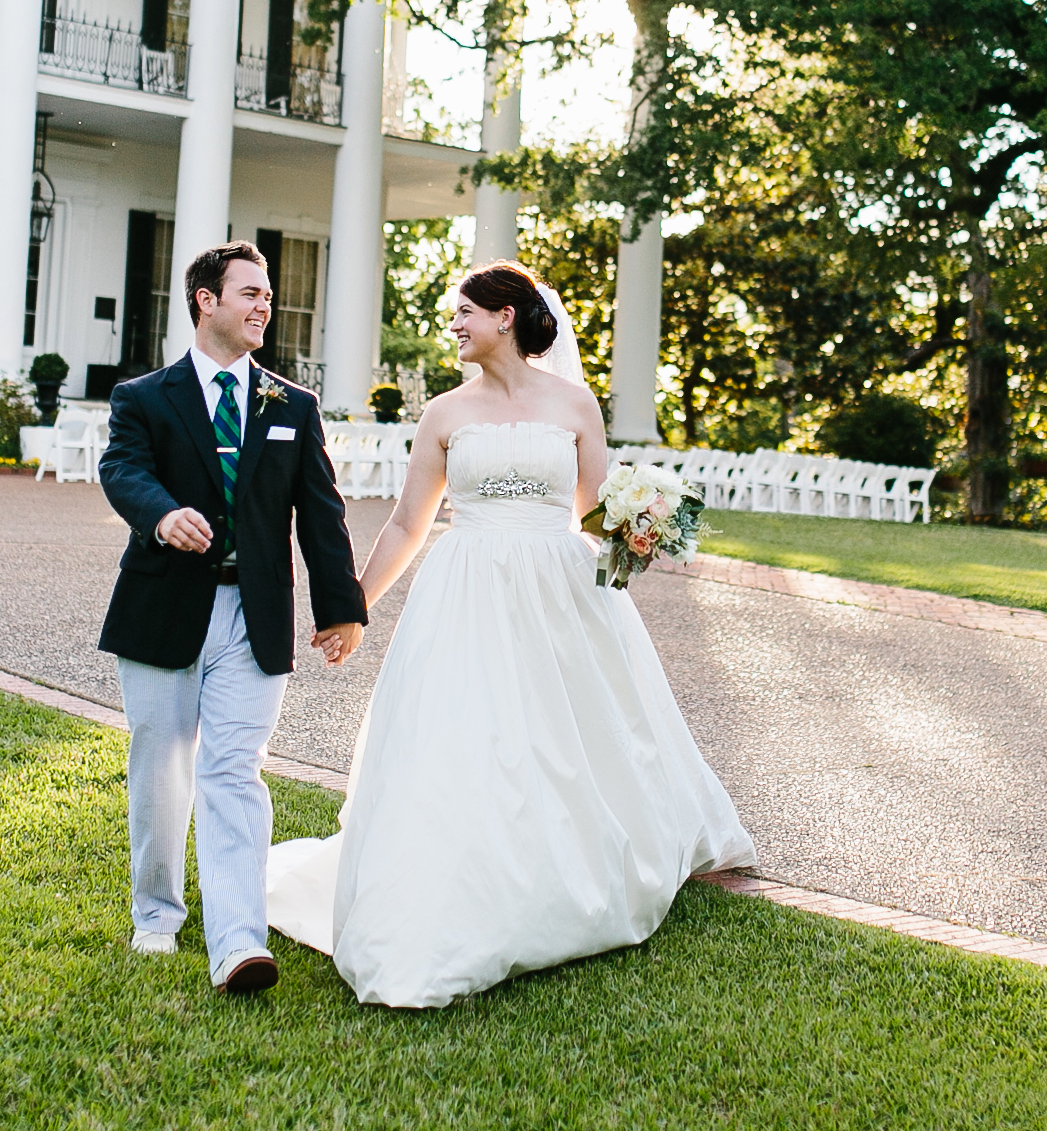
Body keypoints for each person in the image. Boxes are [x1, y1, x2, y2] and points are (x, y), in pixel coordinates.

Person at [267, 260, 753, 1007]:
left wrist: (645, 526)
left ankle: (577, 864)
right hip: (465, 586)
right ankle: (453, 889)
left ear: (506, 317)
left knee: (573, 735)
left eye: (465, 312)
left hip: (561, 587)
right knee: (467, 735)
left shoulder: (575, 404)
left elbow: (594, 513)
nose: (455, 326)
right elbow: (406, 523)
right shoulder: (445, 415)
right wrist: (353, 604)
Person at [98, 241, 366, 996]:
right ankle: (156, 916)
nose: (263, 306)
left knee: (233, 772)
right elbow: (122, 470)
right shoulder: (144, 397)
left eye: (268, 295)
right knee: (160, 769)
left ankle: (239, 943)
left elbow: (322, 514)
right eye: (249, 293)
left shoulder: (293, 406)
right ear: (205, 301)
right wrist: (160, 516)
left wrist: (341, 608)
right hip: (161, 609)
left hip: (255, 618)